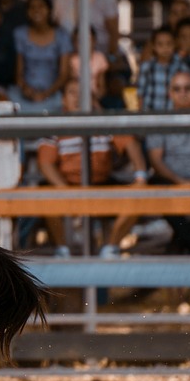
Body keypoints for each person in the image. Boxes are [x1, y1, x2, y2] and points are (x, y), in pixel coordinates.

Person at [36, 78, 149, 258]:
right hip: (66, 184)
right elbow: (45, 163)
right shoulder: (55, 126)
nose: (77, 97)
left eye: (83, 93)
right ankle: (63, 250)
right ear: (63, 99)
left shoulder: (102, 122)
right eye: (72, 92)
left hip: (101, 183)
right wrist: (64, 190)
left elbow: (131, 144)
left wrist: (141, 177)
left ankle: (111, 247)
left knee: (140, 194)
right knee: (43, 195)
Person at [146, 70, 190, 254]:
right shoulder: (161, 120)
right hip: (172, 180)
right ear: (170, 93)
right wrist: (181, 182)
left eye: (188, 88)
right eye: (177, 89)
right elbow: (155, 160)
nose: (183, 93)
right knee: (157, 186)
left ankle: (183, 243)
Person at [12, 0, 71, 113]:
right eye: (32, 7)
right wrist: (26, 89)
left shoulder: (62, 35)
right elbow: (19, 72)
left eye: (41, 6)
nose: (36, 11)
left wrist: (46, 94)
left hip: (53, 92)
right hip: (26, 94)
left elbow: (64, 74)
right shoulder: (20, 34)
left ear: (49, 9)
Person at [136, 27, 187, 112]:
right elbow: (141, 94)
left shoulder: (181, 67)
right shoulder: (147, 67)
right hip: (150, 115)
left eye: (169, 44)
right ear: (154, 46)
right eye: (160, 44)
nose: (165, 48)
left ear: (175, 44)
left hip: (173, 115)